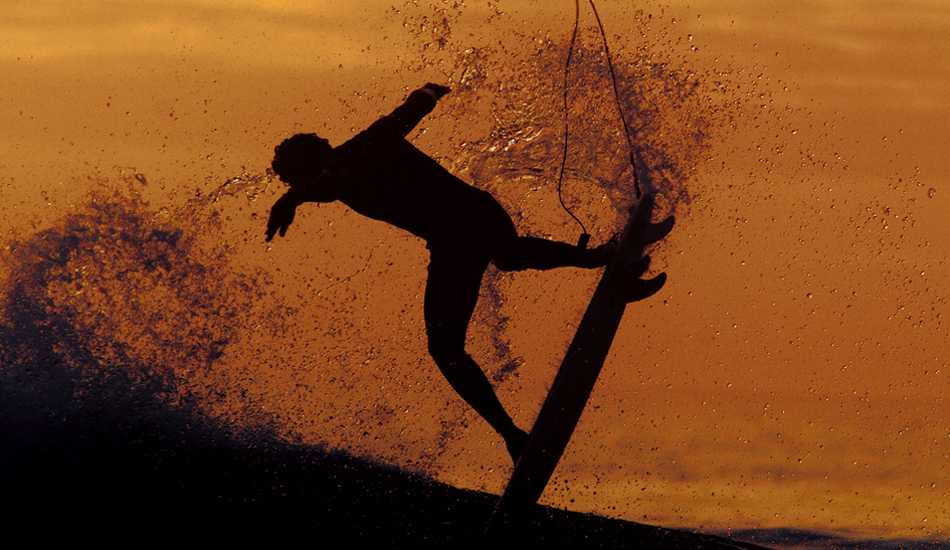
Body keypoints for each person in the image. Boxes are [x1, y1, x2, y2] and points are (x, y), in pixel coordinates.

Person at [266, 83, 615, 464]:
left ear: (307, 169)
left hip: (462, 230)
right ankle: (598, 259)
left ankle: (512, 434)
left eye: (295, 180)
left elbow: (336, 179)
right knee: (504, 260)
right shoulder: (372, 139)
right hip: (467, 225)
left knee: (453, 339)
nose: (299, 187)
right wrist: (428, 92)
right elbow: (410, 111)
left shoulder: (350, 160)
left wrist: (291, 198)